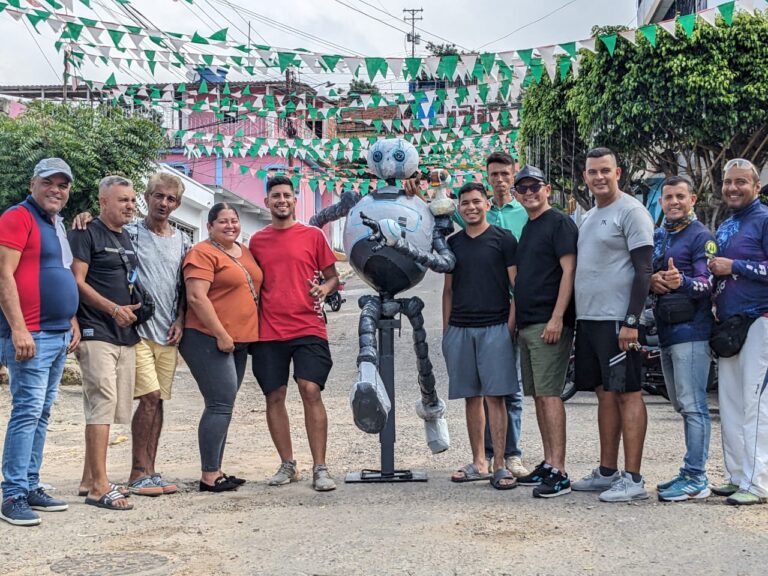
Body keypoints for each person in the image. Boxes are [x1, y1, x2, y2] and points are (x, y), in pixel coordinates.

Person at [72, 172, 190, 497]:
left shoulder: (177, 240)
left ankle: (138, 471)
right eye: (157, 196)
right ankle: (127, 476)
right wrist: (84, 216)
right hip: (126, 331)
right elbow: (80, 270)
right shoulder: (125, 232)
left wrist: (181, 319)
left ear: (177, 204)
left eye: (170, 198)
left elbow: (182, 285)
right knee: (133, 400)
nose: (163, 203)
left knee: (150, 401)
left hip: (155, 333)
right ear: (148, 198)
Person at [571, 147, 654, 502]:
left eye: (605, 170)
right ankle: (607, 472)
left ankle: (633, 479)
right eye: (593, 172)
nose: (599, 177)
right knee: (604, 392)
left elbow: (645, 270)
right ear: (585, 177)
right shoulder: (588, 216)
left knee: (627, 392)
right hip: (590, 320)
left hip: (619, 321)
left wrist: (631, 321)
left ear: (617, 173)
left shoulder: (631, 212)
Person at [0, 158, 80, 526]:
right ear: (33, 184)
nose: (56, 190)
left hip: (57, 333)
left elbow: (58, 272)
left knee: (42, 412)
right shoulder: (18, 217)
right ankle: (13, 494)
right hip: (31, 334)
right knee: (27, 411)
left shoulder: (56, 223)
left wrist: (71, 318)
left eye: (63, 185)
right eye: (49, 182)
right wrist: (18, 328)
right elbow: (4, 275)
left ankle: (31, 485)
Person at [248, 176, 339, 492]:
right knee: (274, 395)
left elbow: (332, 277)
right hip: (268, 330)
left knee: (310, 389)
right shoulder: (257, 241)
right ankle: (287, 464)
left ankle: (320, 467)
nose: (282, 200)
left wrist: (324, 289)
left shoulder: (313, 236)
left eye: (287, 195)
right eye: (276, 196)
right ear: (267, 202)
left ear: (295, 200)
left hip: (308, 325)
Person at [69, 176, 142, 511]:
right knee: (102, 402)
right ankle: (99, 487)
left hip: (124, 334)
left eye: (132, 200)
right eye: (122, 200)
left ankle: (89, 479)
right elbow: (77, 282)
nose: (130, 205)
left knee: (109, 407)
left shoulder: (126, 236)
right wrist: (113, 309)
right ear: (102, 202)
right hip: (96, 330)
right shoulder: (85, 231)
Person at [180, 203, 262, 493]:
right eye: (223, 222)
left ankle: (216, 468)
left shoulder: (244, 251)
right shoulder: (201, 253)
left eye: (234, 221)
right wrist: (221, 334)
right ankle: (209, 475)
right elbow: (196, 297)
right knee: (219, 403)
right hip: (208, 337)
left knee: (225, 405)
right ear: (210, 226)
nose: (230, 226)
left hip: (239, 340)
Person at [443, 182, 519, 490]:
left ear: (487, 204)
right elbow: (448, 291)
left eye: (476, 201)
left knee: (496, 397)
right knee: (471, 397)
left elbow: (517, 288)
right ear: (459, 208)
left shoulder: (504, 239)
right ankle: (479, 462)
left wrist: (510, 327)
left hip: (495, 327)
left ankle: (500, 464)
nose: (471, 207)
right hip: (460, 328)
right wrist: (447, 331)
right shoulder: (453, 244)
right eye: (465, 203)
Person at [511, 166, 578, 498]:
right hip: (528, 323)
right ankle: (550, 462)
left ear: (547, 189)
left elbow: (569, 271)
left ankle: (560, 471)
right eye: (522, 188)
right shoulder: (529, 226)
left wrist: (557, 317)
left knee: (550, 394)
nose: (529, 193)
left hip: (548, 323)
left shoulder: (559, 223)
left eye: (534, 187)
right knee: (539, 395)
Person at [649, 176, 714, 502]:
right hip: (666, 332)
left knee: (693, 406)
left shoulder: (701, 235)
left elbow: (708, 283)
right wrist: (654, 279)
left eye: (680, 196)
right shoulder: (660, 234)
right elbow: (649, 273)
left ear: (692, 199)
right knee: (681, 405)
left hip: (692, 332)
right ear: (661, 202)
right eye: (668, 197)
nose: (674, 202)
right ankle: (689, 472)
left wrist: (682, 281)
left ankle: (696, 477)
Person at [708, 158, 768, 506]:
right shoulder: (726, 225)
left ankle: (758, 483)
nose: (732, 188)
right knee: (730, 404)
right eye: (728, 182)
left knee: (755, 404)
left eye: (741, 182)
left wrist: (736, 266)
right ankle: (737, 476)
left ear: (756, 187)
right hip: (728, 326)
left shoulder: (764, 219)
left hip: (759, 320)